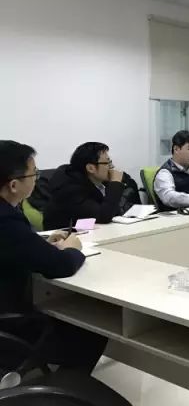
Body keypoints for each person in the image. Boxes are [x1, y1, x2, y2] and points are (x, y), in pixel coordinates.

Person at [0, 140, 107, 373]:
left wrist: (39, 245)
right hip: (9, 326)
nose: (37, 179)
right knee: (91, 330)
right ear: (14, 185)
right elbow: (61, 265)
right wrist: (72, 248)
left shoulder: (8, 213)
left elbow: (14, 248)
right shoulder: (6, 219)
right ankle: (65, 387)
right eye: (34, 173)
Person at [44, 142, 128, 230]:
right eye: (107, 163)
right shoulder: (70, 189)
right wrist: (115, 183)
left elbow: (114, 212)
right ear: (90, 168)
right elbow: (103, 216)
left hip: (89, 231)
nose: (112, 167)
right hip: (64, 235)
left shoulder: (96, 180)